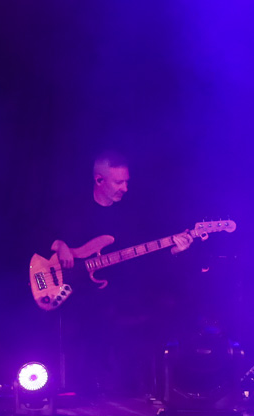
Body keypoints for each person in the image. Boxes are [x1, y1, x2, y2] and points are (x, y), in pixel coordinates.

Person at [44, 150, 192, 395]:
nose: (125, 188)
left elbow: (147, 258)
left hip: (115, 293)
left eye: (126, 182)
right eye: (118, 182)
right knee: (80, 322)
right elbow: (36, 232)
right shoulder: (73, 208)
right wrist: (59, 245)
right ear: (99, 180)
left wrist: (174, 250)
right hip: (72, 292)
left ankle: (132, 388)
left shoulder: (133, 215)